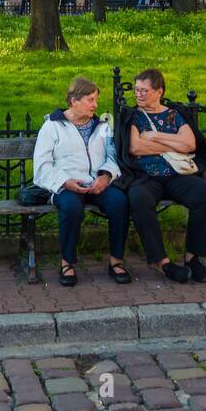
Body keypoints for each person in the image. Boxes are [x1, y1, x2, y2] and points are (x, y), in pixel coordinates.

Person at [117, 68, 206, 284]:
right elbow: (135, 147)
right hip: (145, 176)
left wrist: (155, 136)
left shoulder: (174, 114)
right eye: (136, 90)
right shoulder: (133, 116)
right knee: (139, 199)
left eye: (144, 90)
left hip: (176, 175)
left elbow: (190, 144)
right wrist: (172, 143)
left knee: (205, 195)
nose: (138, 95)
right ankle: (161, 262)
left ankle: (192, 257)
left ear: (159, 91)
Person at [32, 76, 131, 288]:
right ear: (73, 101)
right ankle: (67, 263)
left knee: (120, 202)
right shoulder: (52, 126)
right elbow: (42, 165)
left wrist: (105, 177)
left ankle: (116, 261)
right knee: (70, 207)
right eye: (90, 100)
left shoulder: (102, 125)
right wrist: (65, 181)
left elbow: (112, 156)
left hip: (97, 182)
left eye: (96, 100)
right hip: (67, 184)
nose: (95, 105)